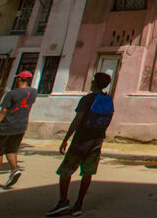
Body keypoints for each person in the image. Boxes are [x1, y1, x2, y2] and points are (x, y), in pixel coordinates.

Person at [47, 72, 114, 217]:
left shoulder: (87, 99)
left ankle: (63, 202)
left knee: (66, 171)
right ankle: (79, 204)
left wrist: (66, 139)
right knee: (87, 173)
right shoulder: (108, 100)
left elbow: (77, 120)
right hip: (96, 142)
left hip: (81, 141)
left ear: (94, 83)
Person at [0, 70, 37, 191]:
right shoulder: (34, 92)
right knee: (11, 150)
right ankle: (15, 169)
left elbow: (3, 111)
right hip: (21, 126)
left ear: (19, 79)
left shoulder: (12, 94)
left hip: (7, 126)